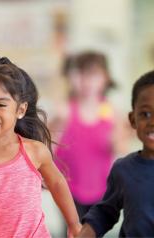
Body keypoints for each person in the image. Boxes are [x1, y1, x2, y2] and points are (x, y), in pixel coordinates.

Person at [0, 56, 81, 237]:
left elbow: (57, 183)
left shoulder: (35, 151)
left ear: (20, 110)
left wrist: (74, 224)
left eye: (1, 104)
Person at [78, 70, 154, 237]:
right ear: (133, 120)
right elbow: (104, 213)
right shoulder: (123, 169)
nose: (152, 122)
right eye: (145, 114)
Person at [52, 51, 127, 219]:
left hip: (101, 189)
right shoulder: (64, 111)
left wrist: (117, 134)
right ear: (73, 78)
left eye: (93, 75)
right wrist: (59, 122)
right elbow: (47, 150)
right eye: (82, 75)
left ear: (105, 78)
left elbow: (120, 148)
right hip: (68, 189)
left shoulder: (112, 112)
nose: (88, 82)